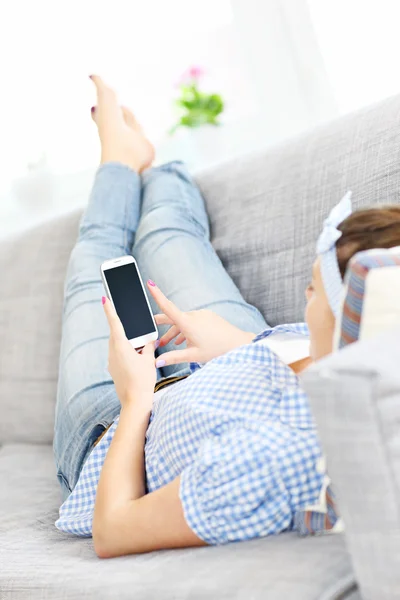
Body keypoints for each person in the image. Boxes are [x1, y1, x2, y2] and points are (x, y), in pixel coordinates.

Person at [54, 76, 400, 558]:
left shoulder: (274, 462)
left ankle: (119, 161)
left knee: (99, 255)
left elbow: (114, 531)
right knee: (168, 234)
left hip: (117, 428)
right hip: (237, 355)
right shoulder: (371, 341)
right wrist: (241, 345)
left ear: (349, 321)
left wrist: (133, 399)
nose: (305, 292)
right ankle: (151, 163)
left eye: (315, 290)